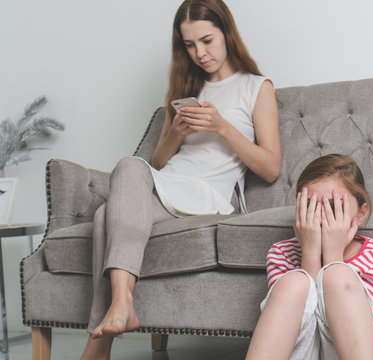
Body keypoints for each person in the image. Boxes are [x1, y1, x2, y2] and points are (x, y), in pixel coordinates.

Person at [80, 0, 281, 358]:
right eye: (189, 46)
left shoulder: (256, 87)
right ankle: (119, 313)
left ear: (227, 33)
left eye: (206, 41)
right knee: (108, 206)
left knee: (116, 188)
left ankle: (101, 342)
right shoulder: (189, 87)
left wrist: (223, 127)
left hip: (207, 196)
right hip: (170, 185)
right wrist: (174, 132)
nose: (200, 54)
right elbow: (158, 162)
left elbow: (270, 167)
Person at [246, 154, 373, 360]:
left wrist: (333, 256)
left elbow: (360, 323)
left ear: (360, 213)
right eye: (310, 206)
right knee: (294, 282)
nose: (321, 217)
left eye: (333, 207)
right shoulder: (281, 253)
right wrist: (310, 252)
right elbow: (299, 321)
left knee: (337, 277)